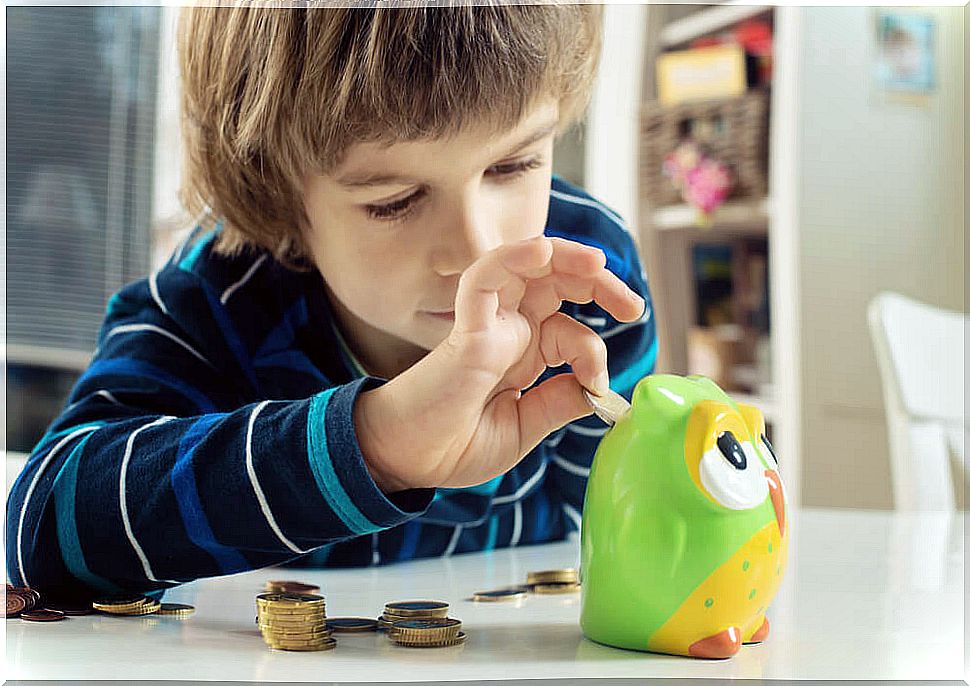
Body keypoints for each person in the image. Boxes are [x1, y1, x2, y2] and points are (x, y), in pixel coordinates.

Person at [6, 3, 657, 599]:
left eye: (513, 165)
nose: (475, 250)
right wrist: (377, 443)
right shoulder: (218, 298)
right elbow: (43, 529)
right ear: (276, 193)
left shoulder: (589, 277)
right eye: (393, 201)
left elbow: (617, 510)